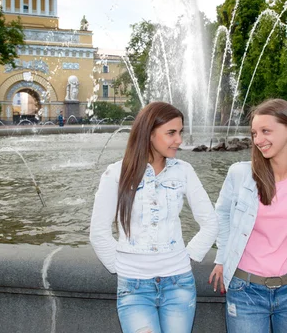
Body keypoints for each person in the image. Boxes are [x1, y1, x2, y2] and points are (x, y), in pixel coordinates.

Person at [90, 102, 218, 333]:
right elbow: (98, 232)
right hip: (134, 288)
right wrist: (122, 268)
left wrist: (186, 257)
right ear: (149, 134)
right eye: (171, 133)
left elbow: (210, 222)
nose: (179, 140)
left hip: (179, 283)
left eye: (180, 132)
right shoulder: (116, 173)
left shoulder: (184, 171)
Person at [209, 98, 287, 333]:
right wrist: (223, 257)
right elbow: (222, 216)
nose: (258, 140)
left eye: (266, 131)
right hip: (245, 290)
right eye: (255, 133)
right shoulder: (240, 173)